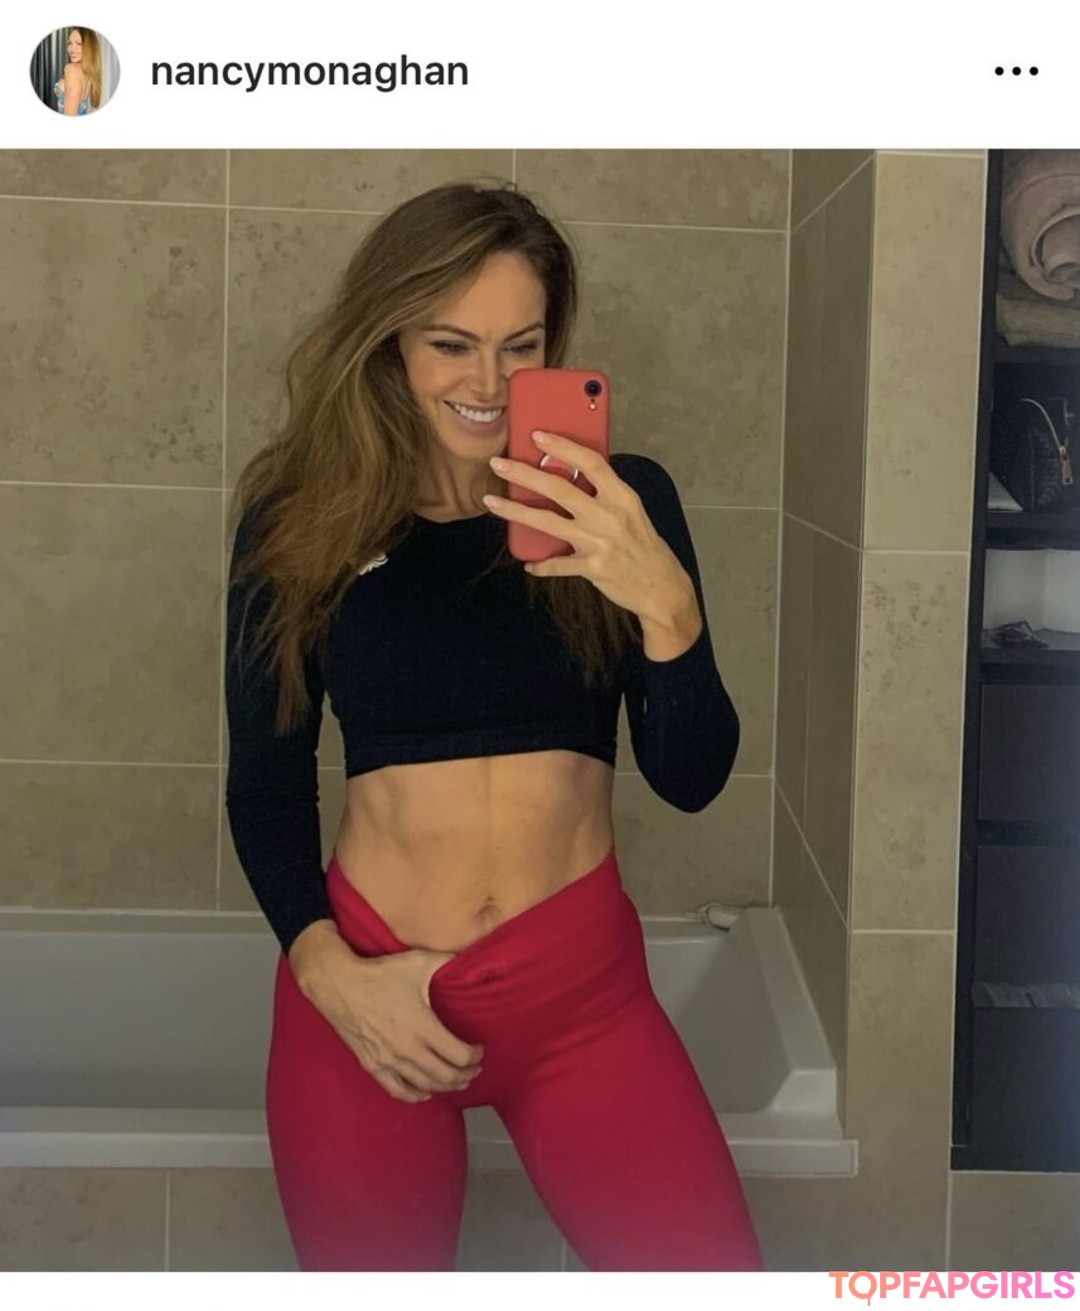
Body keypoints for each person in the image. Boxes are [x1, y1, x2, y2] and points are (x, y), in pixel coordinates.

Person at [225, 179, 764, 1273]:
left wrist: (667, 607)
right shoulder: (301, 519)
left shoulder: (621, 504)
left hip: (582, 999)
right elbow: (267, 779)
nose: (487, 383)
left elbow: (692, 777)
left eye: (521, 346)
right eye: (450, 344)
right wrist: (330, 974)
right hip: (373, 991)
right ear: (389, 341)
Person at [53, 28, 100, 116]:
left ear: (90, 47)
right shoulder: (89, 72)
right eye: (70, 43)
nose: (72, 49)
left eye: (79, 44)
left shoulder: (72, 69)